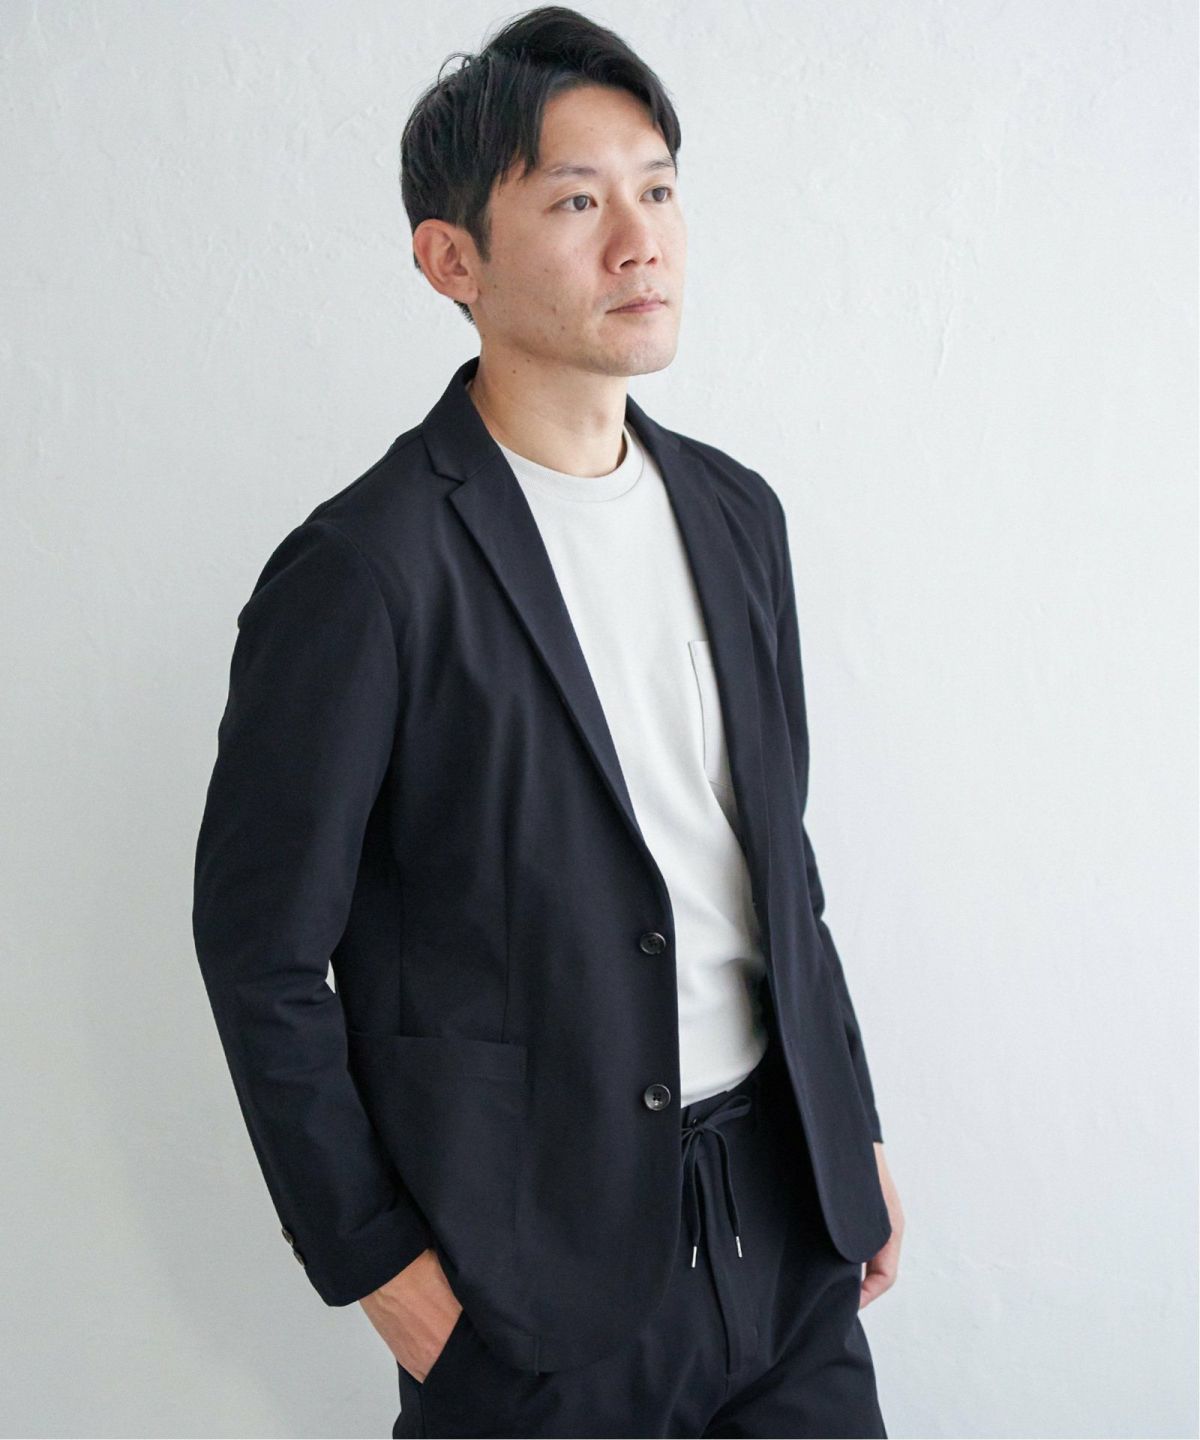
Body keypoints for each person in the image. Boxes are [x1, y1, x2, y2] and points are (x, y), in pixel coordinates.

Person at [192, 6, 905, 1436]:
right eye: (578, 202)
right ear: (451, 259)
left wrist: (852, 1126)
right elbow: (259, 946)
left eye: (659, 190)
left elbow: (777, 860)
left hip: (787, 1217)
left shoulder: (736, 515)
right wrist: (370, 1258)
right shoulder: (367, 571)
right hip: (531, 1278)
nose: (640, 241)